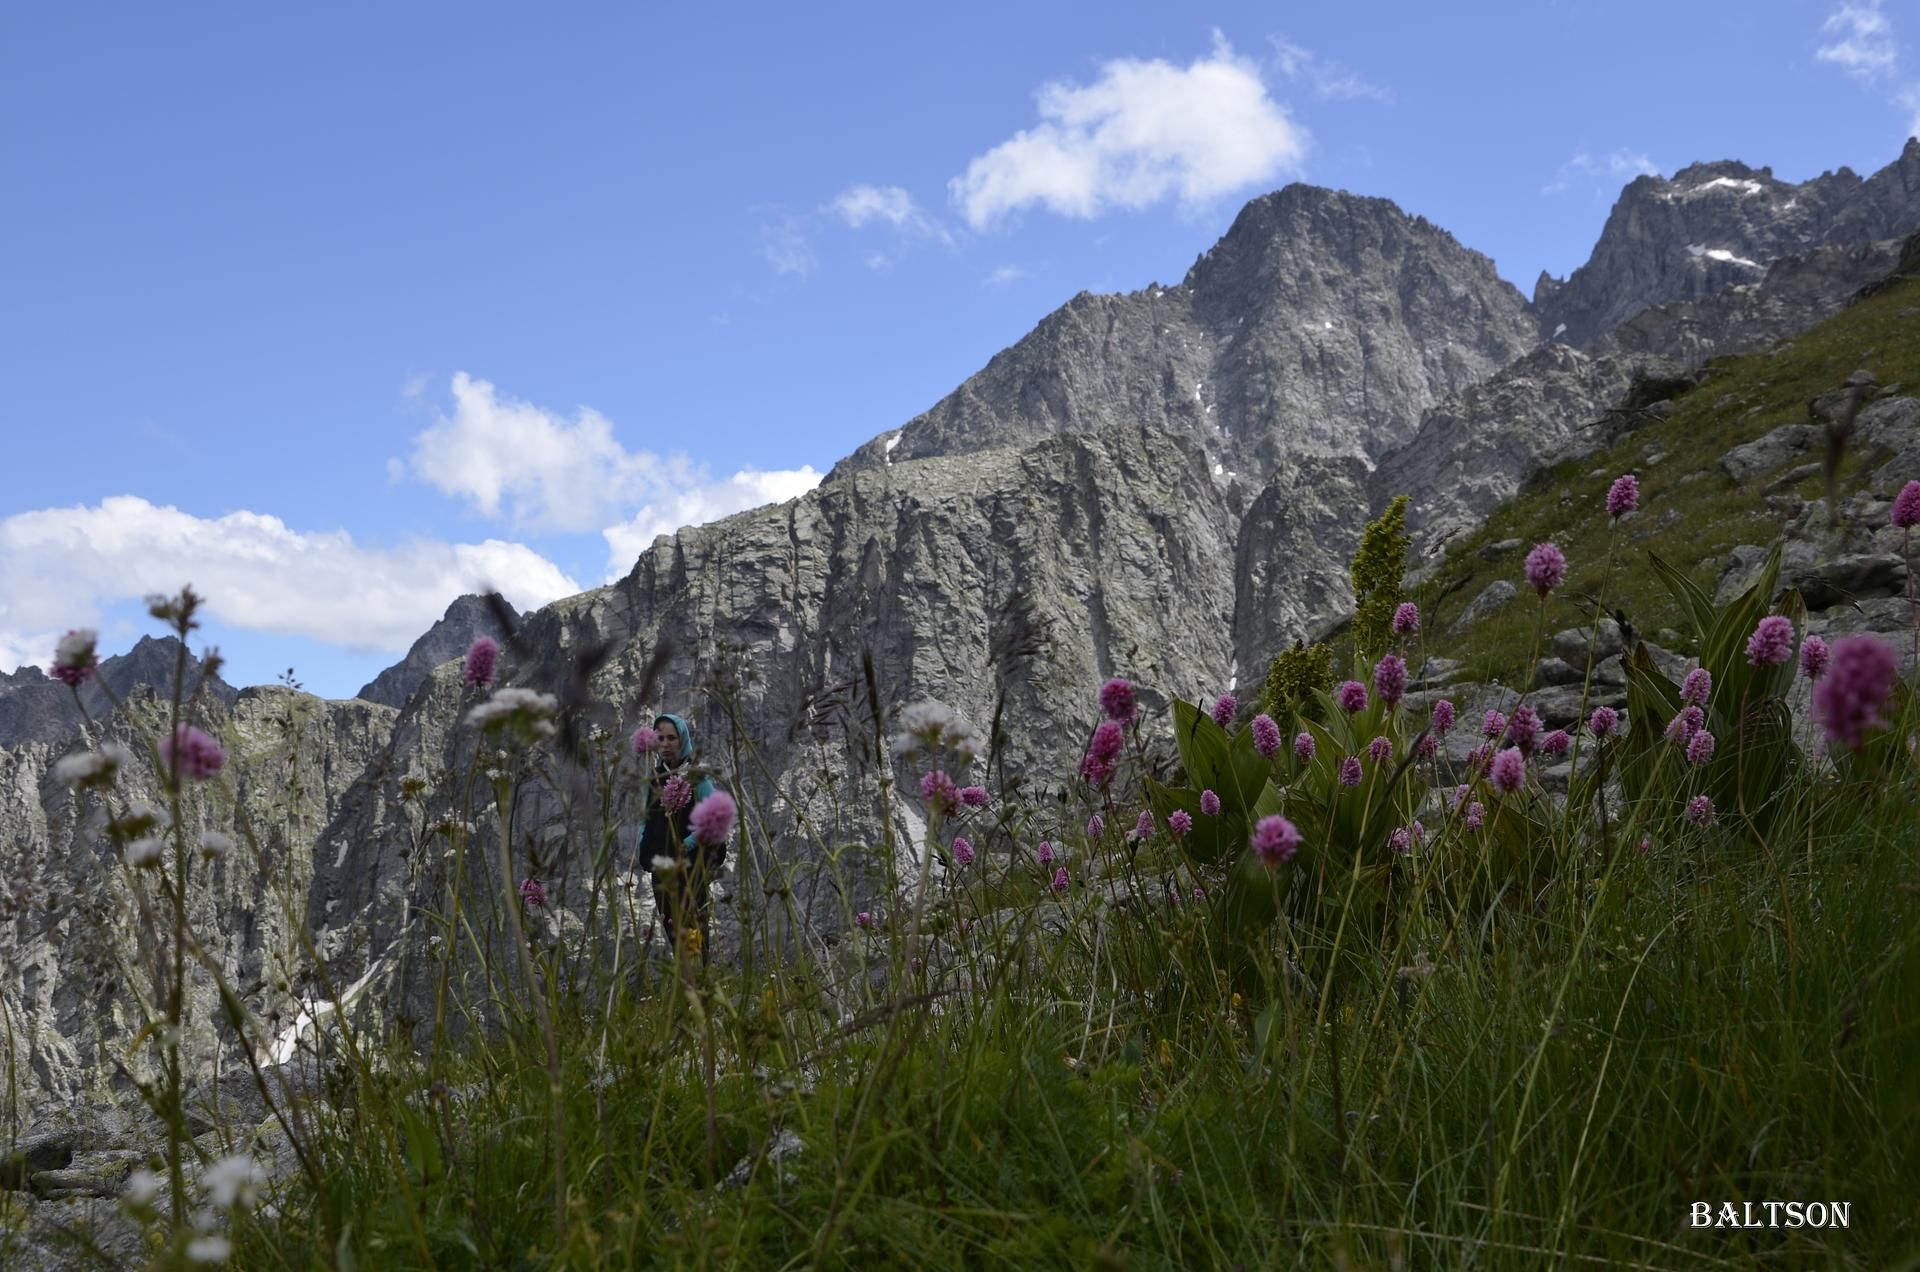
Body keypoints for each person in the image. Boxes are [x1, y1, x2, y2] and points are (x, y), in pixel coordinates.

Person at [639, 712, 721, 957]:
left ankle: (701, 981)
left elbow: (714, 820)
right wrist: (644, 845)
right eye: (660, 738)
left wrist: (686, 844)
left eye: (671, 738)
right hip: (661, 867)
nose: (665, 744)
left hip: (691, 866)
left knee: (694, 928)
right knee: (674, 931)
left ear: (682, 739)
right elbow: (646, 817)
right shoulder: (654, 778)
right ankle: (685, 985)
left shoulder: (699, 778)